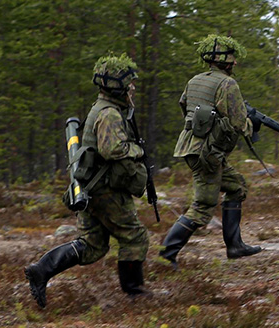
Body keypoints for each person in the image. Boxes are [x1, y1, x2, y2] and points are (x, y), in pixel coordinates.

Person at [25, 53, 150, 308]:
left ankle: (42, 269)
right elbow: (113, 150)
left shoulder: (102, 108)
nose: (132, 88)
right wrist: (138, 151)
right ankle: (134, 293)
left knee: (92, 245)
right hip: (107, 190)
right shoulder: (110, 114)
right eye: (128, 84)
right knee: (134, 237)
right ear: (116, 86)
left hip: (91, 188)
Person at [159, 34, 262, 267]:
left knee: (236, 186)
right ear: (222, 60)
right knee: (203, 205)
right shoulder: (228, 84)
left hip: (192, 147)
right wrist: (251, 124)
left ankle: (235, 246)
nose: (235, 62)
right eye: (231, 58)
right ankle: (166, 255)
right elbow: (237, 122)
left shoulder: (195, 80)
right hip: (207, 152)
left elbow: (184, 105)